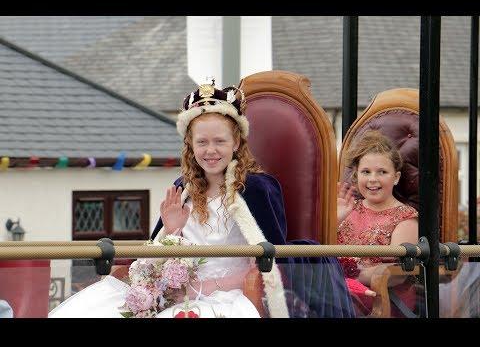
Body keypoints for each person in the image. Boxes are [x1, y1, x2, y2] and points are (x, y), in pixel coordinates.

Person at [50, 79, 354, 318]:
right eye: (202, 142)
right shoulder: (181, 186)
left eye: (220, 141)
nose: (211, 151)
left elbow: (269, 262)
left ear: (236, 142)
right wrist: (172, 230)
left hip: (229, 294)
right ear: (190, 145)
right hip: (175, 291)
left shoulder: (257, 188)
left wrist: (206, 287)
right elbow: (155, 255)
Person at [337, 130, 419, 317]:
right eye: (366, 172)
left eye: (382, 172)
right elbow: (315, 254)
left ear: (396, 177)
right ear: (356, 176)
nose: (373, 179)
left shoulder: (406, 218)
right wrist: (335, 221)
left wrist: (345, 274)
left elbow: (398, 273)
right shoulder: (346, 209)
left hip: (383, 298)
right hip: (339, 291)